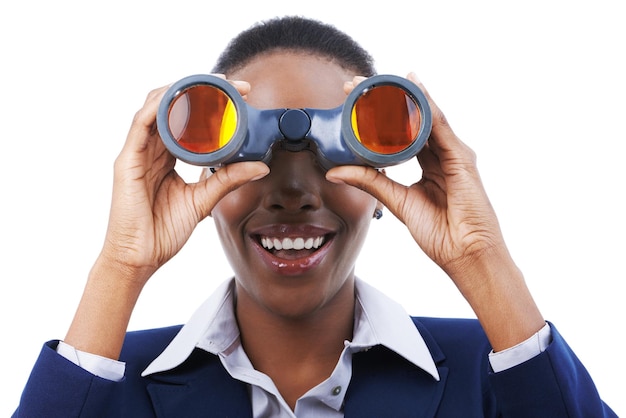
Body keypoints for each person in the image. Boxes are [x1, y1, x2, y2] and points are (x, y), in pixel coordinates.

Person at [13, 16, 616, 417]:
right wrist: (120, 265)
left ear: (381, 184)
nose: (294, 191)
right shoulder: (115, 384)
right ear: (203, 177)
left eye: (334, 160)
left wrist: (483, 258)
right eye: (250, 158)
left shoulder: (493, 370)